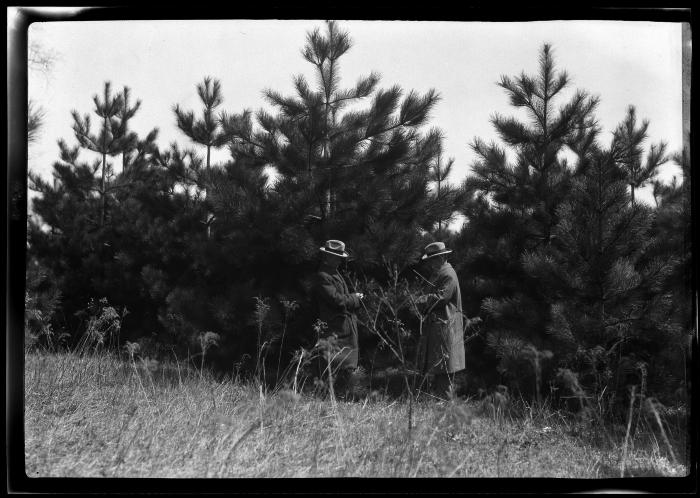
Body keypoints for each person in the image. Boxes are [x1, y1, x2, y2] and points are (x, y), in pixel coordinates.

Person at [313, 239, 364, 399]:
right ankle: (328, 397)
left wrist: (353, 298)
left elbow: (341, 298)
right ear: (326, 257)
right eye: (334, 256)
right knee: (333, 364)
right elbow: (337, 300)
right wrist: (355, 298)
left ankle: (344, 396)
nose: (338, 260)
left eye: (339, 257)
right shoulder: (323, 276)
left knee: (346, 366)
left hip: (344, 326)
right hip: (334, 328)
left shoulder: (334, 273)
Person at [416, 241, 465, 400]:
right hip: (440, 326)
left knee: (444, 366)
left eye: (434, 259)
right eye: (430, 259)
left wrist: (419, 300)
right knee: (440, 366)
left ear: (443, 256)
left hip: (446, 326)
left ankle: (445, 404)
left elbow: (440, 298)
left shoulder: (447, 274)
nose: (431, 263)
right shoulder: (439, 272)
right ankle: (441, 401)